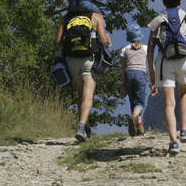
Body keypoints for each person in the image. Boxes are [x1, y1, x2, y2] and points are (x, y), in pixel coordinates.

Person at [147, 0, 186, 154]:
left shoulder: (157, 20)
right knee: (184, 93)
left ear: (164, 2)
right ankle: (184, 130)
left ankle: (173, 142)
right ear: (180, 1)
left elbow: (150, 49)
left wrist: (152, 71)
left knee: (169, 103)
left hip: (166, 62)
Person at [54, 11, 111, 142]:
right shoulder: (96, 17)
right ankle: (81, 127)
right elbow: (103, 40)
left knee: (81, 95)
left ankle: (86, 128)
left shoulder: (67, 17)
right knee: (88, 95)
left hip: (71, 59)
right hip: (88, 59)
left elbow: (57, 41)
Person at [120, 23, 149, 137]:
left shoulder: (124, 50)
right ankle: (134, 118)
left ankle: (139, 127)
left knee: (133, 102)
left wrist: (123, 85)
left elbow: (122, 69)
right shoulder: (146, 48)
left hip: (128, 75)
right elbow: (151, 66)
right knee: (141, 102)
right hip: (140, 75)